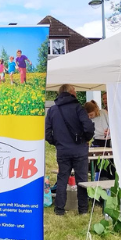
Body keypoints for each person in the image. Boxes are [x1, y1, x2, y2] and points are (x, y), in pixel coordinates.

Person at [45, 84, 95, 215]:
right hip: (80, 150)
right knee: (82, 180)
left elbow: (47, 133)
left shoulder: (52, 110)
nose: (77, 94)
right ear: (71, 93)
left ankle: (59, 210)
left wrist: (57, 143)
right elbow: (89, 127)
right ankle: (83, 210)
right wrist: (85, 139)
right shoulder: (78, 108)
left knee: (62, 179)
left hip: (62, 150)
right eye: (75, 92)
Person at [84, 100, 114, 180]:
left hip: (108, 140)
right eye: (88, 116)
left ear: (96, 110)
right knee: (99, 162)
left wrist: (109, 130)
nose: (90, 117)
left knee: (109, 162)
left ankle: (110, 179)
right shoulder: (88, 119)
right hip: (97, 141)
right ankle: (101, 178)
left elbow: (112, 123)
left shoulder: (103, 113)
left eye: (91, 115)